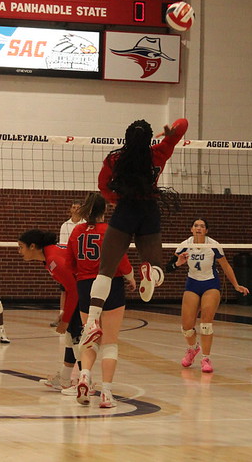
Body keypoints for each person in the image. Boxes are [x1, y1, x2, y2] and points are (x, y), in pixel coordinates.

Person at [81, 118, 188, 349]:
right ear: (149, 138)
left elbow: (103, 186)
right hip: (149, 211)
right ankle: (152, 273)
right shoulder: (159, 152)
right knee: (157, 266)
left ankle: (91, 322)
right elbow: (184, 123)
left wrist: (114, 199)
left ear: (126, 138)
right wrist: (170, 133)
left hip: (125, 211)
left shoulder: (114, 158)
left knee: (105, 271)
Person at [67, 192, 136, 408]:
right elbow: (121, 260)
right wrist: (131, 278)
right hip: (111, 284)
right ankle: (106, 393)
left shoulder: (76, 231)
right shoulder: (110, 231)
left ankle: (85, 376)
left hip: (86, 287)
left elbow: (70, 261)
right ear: (104, 210)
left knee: (90, 337)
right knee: (110, 343)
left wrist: (83, 275)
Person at [166, 218, 249, 373]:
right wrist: (178, 263)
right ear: (191, 229)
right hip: (192, 284)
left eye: (202, 226)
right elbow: (168, 267)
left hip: (210, 284)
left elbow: (226, 266)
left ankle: (206, 358)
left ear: (206, 231)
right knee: (186, 327)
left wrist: (236, 285)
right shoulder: (185, 245)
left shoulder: (213, 245)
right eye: (196, 226)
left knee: (206, 323)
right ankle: (192, 349)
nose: (199, 228)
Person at [17, 229, 80, 391]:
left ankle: (85, 382)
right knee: (70, 338)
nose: (19, 252)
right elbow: (68, 287)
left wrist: (66, 320)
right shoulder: (48, 258)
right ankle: (66, 378)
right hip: (81, 291)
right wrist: (64, 313)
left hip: (87, 292)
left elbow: (74, 290)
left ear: (32, 246)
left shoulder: (53, 260)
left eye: (21, 247)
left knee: (77, 339)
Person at [53, 202, 84, 327]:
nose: (76, 209)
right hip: (68, 260)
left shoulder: (85, 224)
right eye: (74, 207)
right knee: (64, 289)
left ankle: (81, 317)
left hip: (81, 261)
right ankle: (61, 315)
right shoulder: (65, 225)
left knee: (81, 289)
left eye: (78, 207)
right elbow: (62, 244)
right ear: (70, 210)